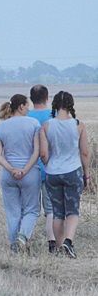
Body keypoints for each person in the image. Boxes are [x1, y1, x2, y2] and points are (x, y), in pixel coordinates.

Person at [39, 91, 91, 258]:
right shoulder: (79, 125)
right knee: (73, 211)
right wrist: (87, 175)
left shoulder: (46, 126)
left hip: (53, 173)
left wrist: (50, 165)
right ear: (71, 105)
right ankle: (68, 242)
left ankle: (59, 246)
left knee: (57, 212)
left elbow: (44, 154)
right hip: (73, 171)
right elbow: (84, 153)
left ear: (54, 105)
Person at [0, 94, 41, 252]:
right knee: (32, 210)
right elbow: (37, 151)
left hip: (8, 176)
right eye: (27, 105)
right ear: (21, 106)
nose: (28, 108)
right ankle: (23, 236)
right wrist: (25, 169)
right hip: (30, 174)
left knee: (12, 212)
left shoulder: (0, 127)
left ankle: (14, 248)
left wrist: (11, 169)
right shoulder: (34, 124)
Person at [27, 85, 57, 252]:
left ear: (31, 99)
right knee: (51, 209)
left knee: (29, 209)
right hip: (50, 167)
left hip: (28, 169)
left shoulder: (25, 116)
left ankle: (24, 239)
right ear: (47, 97)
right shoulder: (53, 116)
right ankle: (52, 243)